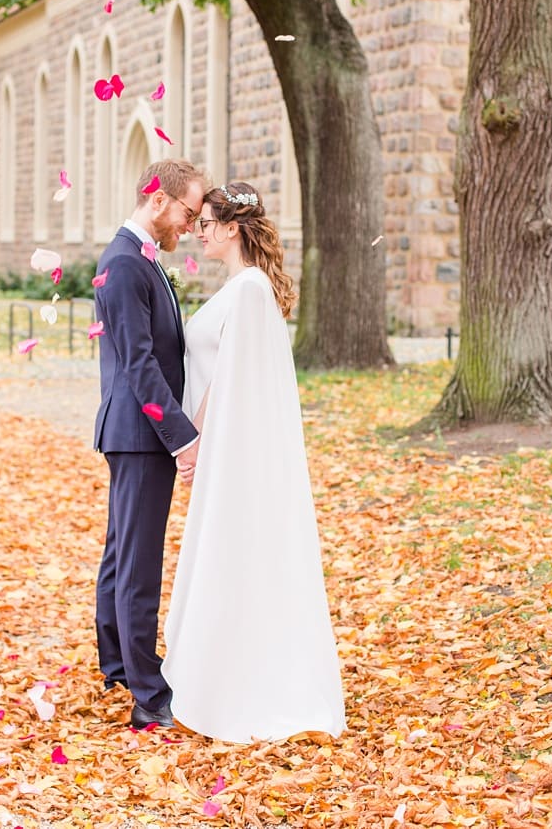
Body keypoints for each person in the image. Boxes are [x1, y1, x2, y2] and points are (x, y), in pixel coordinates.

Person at [161, 182, 346, 742]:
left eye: (209, 223)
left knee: (234, 549)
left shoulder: (248, 291)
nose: (200, 231)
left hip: (229, 448)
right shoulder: (244, 287)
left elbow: (229, 378)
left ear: (233, 227)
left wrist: (191, 439)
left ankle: (239, 683)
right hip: (224, 445)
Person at [91, 158, 207, 730]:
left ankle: (117, 661)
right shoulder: (124, 264)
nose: (190, 223)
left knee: (122, 550)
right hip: (140, 435)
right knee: (138, 560)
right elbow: (139, 365)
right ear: (157, 199)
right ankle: (146, 692)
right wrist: (181, 439)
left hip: (135, 433)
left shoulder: (141, 260)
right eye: (188, 211)